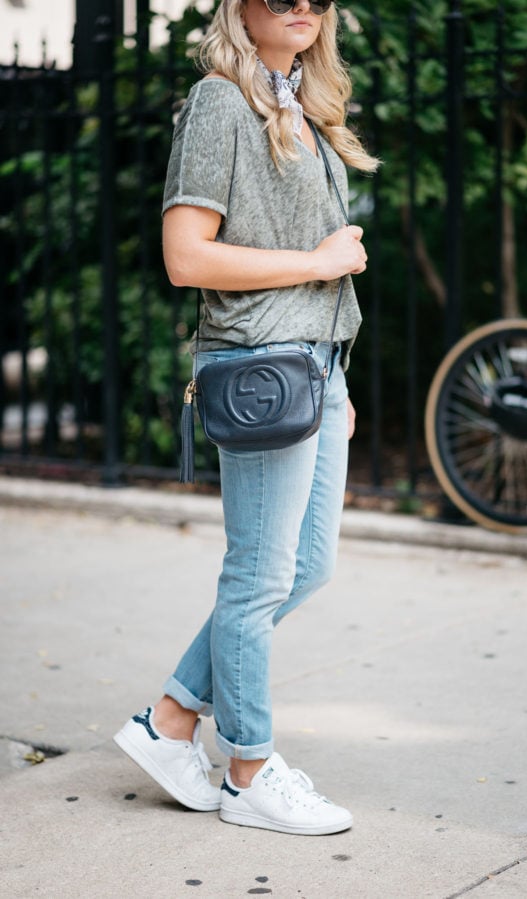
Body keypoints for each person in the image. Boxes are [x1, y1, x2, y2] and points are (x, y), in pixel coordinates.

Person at [114, 0, 378, 836]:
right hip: (264, 367)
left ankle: (170, 720)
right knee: (258, 574)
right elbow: (185, 255)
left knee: (306, 566)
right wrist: (319, 262)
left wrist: (337, 375)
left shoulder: (304, 103)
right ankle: (249, 772)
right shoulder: (220, 101)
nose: (302, 7)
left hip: (315, 366)